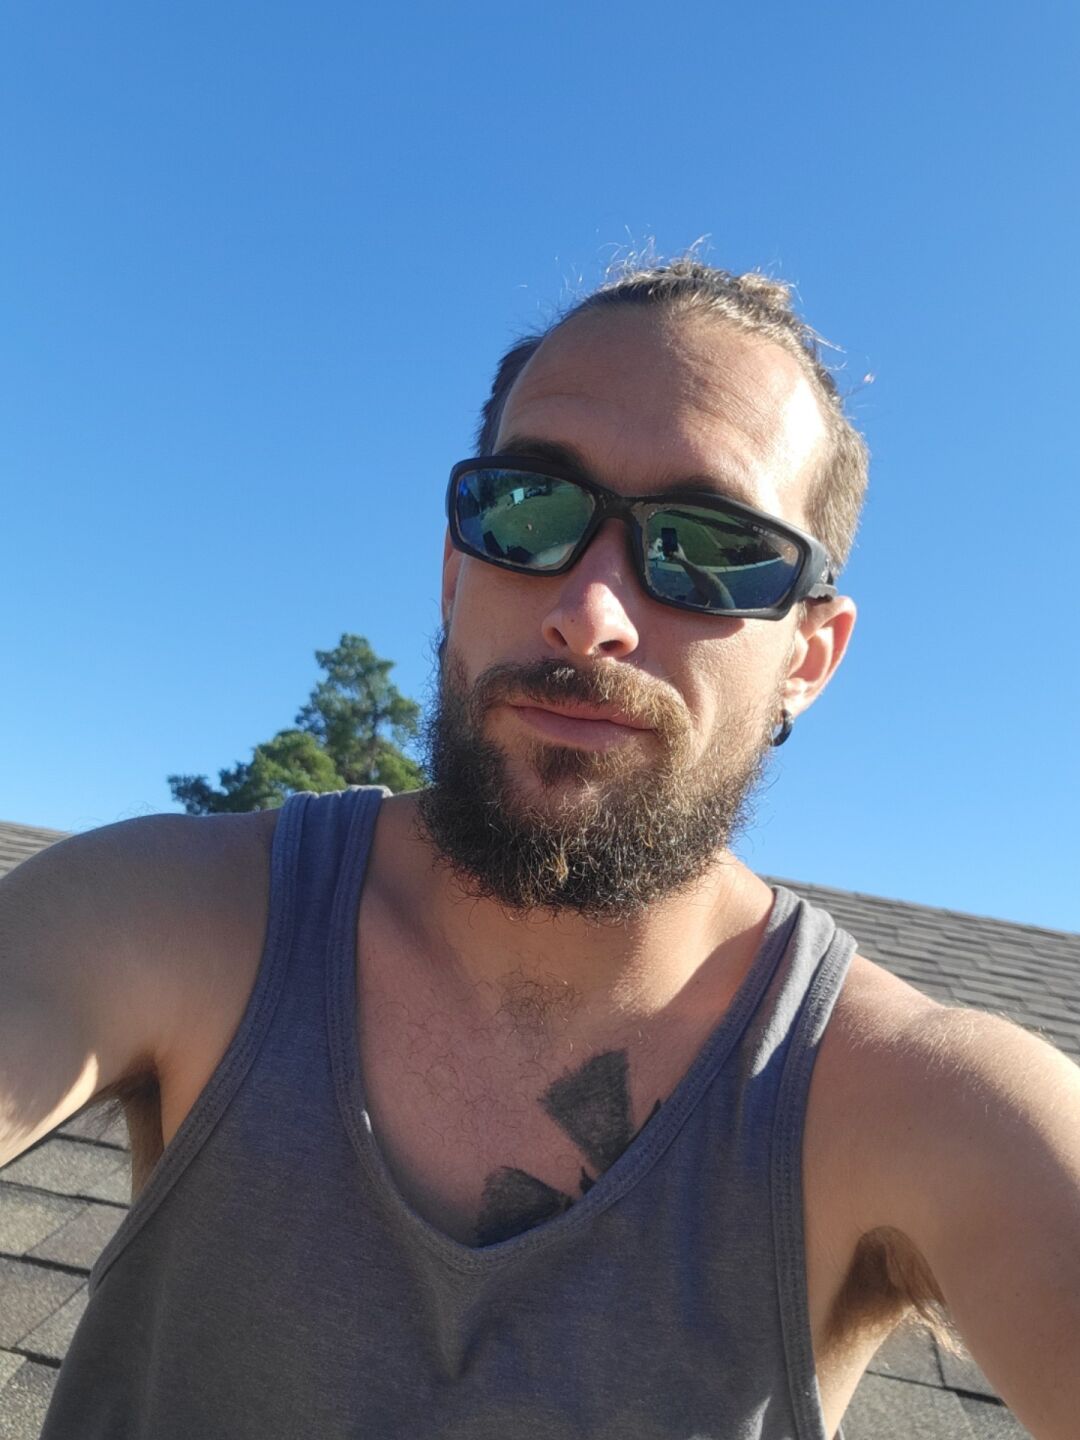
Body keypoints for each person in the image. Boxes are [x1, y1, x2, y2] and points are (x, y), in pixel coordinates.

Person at [3, 260, 1078, 1440]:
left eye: (711, 546)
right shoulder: (175, 919)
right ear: (455, 571)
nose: (589, 612)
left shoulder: (915, 1103)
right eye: (529, 509)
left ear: (808, 659)